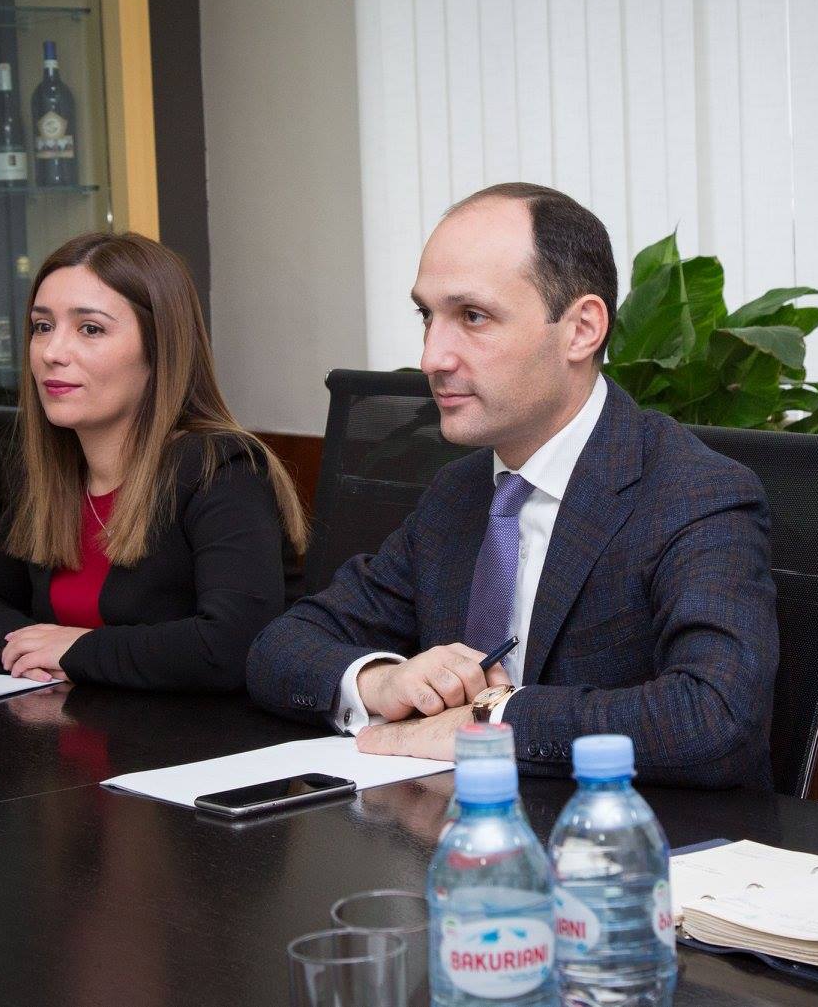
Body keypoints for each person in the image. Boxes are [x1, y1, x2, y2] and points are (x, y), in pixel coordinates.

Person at [246, 182, 779, 790]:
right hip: (446, 826)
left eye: (473, 317)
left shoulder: (694, 493)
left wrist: (488, 720)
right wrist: (381, 680)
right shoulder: (460, 494)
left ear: (581, 330)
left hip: (627, 837)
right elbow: (281, 648)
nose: (432, 358)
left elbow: (714, 715)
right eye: (427, 317)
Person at [0, 232, 306, 691]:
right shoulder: (60, 478)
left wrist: (77, 650)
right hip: (72, 722)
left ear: (159, 348)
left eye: (90, 329)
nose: (51, 353)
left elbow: (234, 644)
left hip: (192, 734)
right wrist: (28, 651)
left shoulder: (220, 469)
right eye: (42, 326)